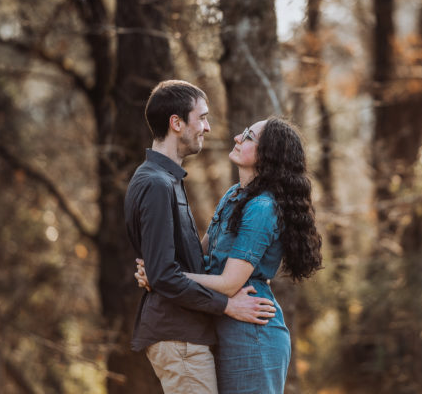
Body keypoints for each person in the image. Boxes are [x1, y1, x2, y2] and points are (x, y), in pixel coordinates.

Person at [137, 116, 323, 393]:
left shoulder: (263, 207)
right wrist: (159, 270)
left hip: (254, 333)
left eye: (249, 137)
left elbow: (229, 283)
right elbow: (200, 261)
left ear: (268, 154)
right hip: (225, 326)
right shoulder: (234, 195)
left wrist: (164, 276)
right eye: (243, 131)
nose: (238, 137)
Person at [125, 80, 276, 394]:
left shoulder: (167, 180)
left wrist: (157, 273)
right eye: (202, 117)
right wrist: (226, 305)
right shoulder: (156, 184)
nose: (207, 127)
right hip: (178, 336)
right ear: (177, 123)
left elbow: (167, 269)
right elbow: (166, 274)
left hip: (187, 333)